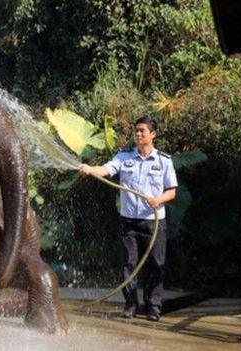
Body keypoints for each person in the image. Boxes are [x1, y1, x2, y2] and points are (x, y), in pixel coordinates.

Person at [78, 116, 177, 321]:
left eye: (142, 130)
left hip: (153, 222)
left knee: (156, 264)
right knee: (128, 265)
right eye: (136, 130)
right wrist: (90, 169)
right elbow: (105, 170)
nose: (138, 134)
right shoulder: (124, 158)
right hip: (129, 221)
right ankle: (130, 305)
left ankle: (153, 307)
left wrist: (158, 199)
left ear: (153, 134)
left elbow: (172, 191)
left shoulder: (164, 160)